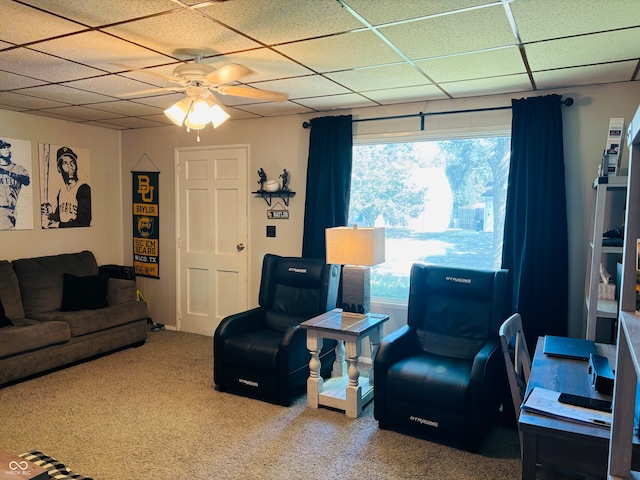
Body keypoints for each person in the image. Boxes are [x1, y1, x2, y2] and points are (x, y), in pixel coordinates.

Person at [41, 146, 91, 228]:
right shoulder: (61, 192)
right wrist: (50, 214)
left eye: (72, 162)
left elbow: (83, 223)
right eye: (65, 163)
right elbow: (60, 218)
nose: (70, 166)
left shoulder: (83, 188)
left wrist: (58, 225)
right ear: (59, 168)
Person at [0, 139, 30, 230]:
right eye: (3, 148)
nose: (7, 149)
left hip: (13, 211)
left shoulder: (18, 168)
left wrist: (7, 173)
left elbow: (26, 181)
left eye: (7, 147)